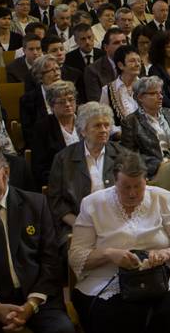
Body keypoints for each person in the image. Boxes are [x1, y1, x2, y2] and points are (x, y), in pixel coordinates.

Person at [68, 150, 170, 333]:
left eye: (138, 186)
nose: (132, 193)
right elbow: (76, 256)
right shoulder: (92, 204)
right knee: (115, 318)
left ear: (147, 181)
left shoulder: (163, 198)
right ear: (113, 182)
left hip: (160, 278)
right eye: (125, 187)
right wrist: (110, 254)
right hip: (108, 279)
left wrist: (165, 253)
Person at [0, 148, 76, 333]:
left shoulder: (36, 204)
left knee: (63, 332)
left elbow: (51, 261)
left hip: (36, 297)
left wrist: (31, 305)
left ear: (5, 172)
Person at [47, 102, 122, 248]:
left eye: (107, 125)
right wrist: (80, 225)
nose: (104, 130)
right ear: (83, 131)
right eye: (97, 126)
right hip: (76, 225)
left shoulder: (122, 154)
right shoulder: (64, 159)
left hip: (117, 223)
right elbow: (55, 202)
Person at [120, 76, 170, 178]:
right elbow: (131, 156)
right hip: (154, 174)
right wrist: (160, 166)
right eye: (154, 93)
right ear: (140, 97)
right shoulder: (130, 122)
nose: (160, 97)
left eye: (160, 93)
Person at [31, 80, 78, 188]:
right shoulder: (42, 127)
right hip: (60, 182)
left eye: (71, 100)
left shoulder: (84, 122)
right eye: (62, 102)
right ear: (52, 106)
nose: (68, 104)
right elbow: (40, 167)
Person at [20, 54, 62, 148]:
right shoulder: (28, 100)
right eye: (52, 70)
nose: (57, 73)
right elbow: (29, 134)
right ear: (40, 76)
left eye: (58, 68)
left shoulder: (69, 94)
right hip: (43, 147)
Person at [99, 45, 141, 137]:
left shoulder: (146, 86)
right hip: (122, 142)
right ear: (120, 65)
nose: (137, 64)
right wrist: (118, 132)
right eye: (132, 61)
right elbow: (103, 119)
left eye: (139, 60)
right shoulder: (108, 90)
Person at [84, 28, 127, 102]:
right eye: (116, 43)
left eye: (124, 42)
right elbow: (96, 101)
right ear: (106, 47)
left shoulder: (134, 63)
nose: (122, 46)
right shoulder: (93, 70)